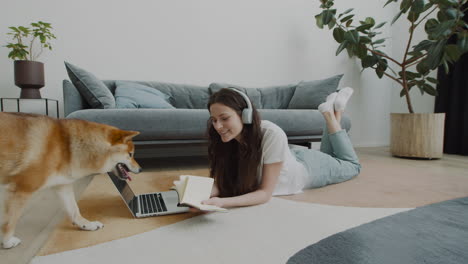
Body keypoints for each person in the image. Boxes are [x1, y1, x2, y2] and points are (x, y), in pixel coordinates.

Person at [201, 87, 361, 208]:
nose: (218, 126)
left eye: (224, 118)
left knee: (352, 166)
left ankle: (331, 114)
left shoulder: (270, 133)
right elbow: (221, 182)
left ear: (245, 115)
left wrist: (222, 203)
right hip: (291, 158)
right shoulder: (225, 141)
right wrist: (201, 197)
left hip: (308, 168)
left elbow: (265, 193)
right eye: (214, 120)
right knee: (330, 155)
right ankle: (335, 110)